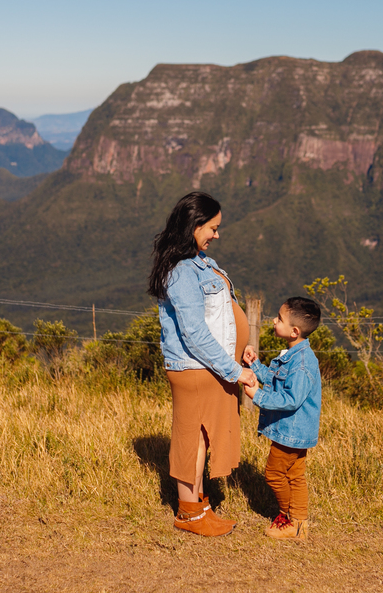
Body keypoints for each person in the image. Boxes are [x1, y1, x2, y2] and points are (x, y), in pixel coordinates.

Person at [149, 191, 256, 537]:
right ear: (194, 226)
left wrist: (242, 348)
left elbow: (219, 315)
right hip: (195, 368)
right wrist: (234, 370)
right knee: (191, 440)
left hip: (210, 366)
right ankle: (189, 513)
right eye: (212, 227)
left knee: (201, 439)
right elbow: (193, 334)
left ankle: (198, 505)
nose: (217, 234)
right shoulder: (182, 271)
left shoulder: (201, 262)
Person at [241, 296, 323, 541]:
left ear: (294, 331)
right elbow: (276, 379)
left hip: (291, 432)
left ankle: (288, 518)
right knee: (295, 476)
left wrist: (258, 396)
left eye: (279, 318)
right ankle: (299, 524)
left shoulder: (301, 364)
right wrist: (255, 365)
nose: (274, 321)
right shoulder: (294, 355)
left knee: (275, 475)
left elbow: (290, 399)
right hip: (295, 431)